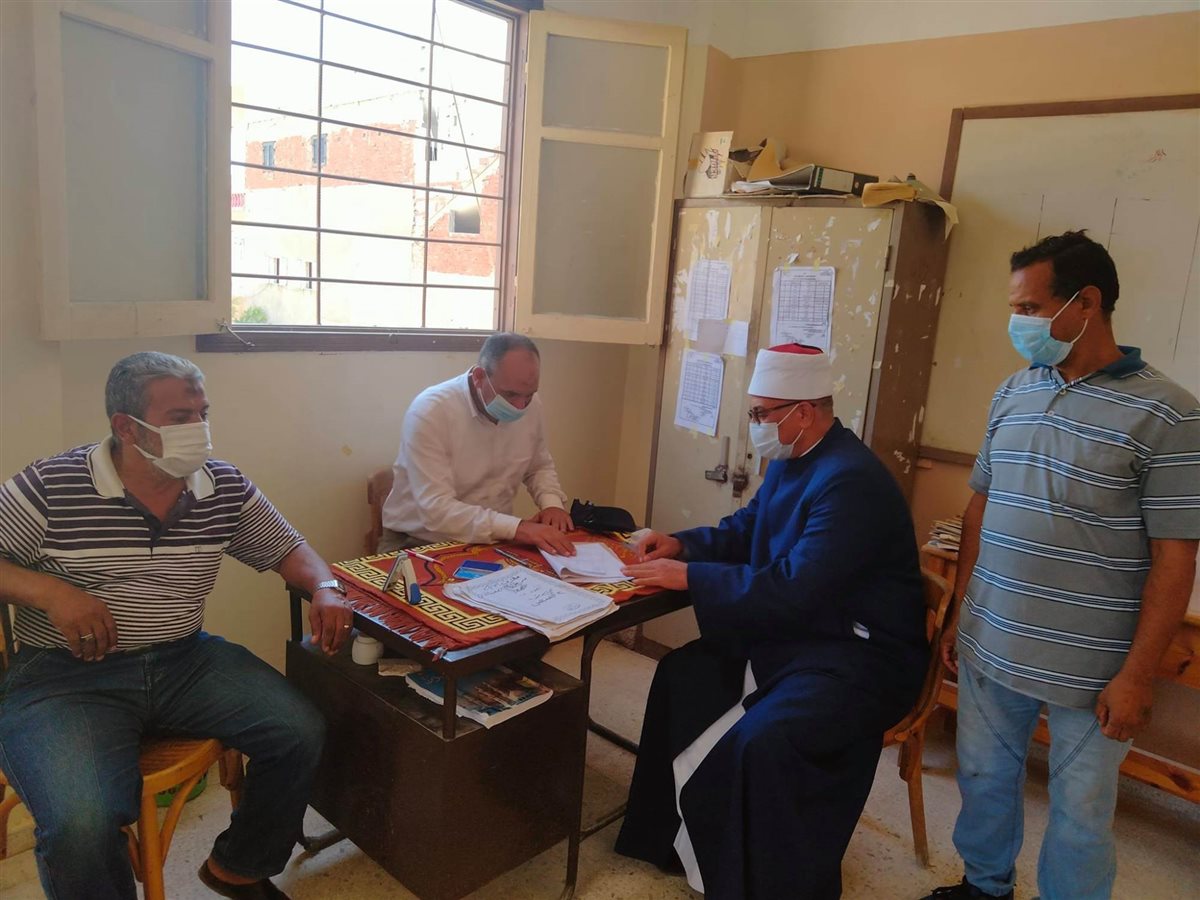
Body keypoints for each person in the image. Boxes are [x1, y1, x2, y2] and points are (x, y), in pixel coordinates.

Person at [0, 352, 354, 900]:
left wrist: (326, 586)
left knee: (297, 731)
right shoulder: (51, 485)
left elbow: (289, 549)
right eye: (181, 417)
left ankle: (238, 868)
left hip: (184, 658)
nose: (199, 429)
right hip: (66, 675)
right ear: (126, 427)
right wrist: (53, 593)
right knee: (81, 824)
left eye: (202, 413)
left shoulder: (221, 485)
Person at [920, 231, 1199, 900]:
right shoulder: (1013, 392)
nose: (1018, 323)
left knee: (1081, 811)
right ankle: (984, 886)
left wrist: (1137, 676)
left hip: (1092, 666)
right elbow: (980, 509)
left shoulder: (1170, 415)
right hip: (992, 640)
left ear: (1086, 304)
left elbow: (1176, 557)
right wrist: (961, 616)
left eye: (1030, 308)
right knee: (983, 779)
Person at [614, 344, 929, 900]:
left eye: (761, 413)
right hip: (805, 635)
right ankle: (670, 842)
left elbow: (797, 586)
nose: (754, 425)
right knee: (682, 675)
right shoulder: (792, 459)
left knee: (764, 742)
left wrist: (691, 579)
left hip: (859, 656)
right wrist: (683, 546)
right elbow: (746, 529)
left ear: (803, 412)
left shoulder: (850, 480)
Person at [378, 332, 575, 556]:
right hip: (418, 540)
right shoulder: (431, 411)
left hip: (494, 538)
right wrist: (518, 529)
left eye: (529, 395)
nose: (520, 406)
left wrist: (552, 505)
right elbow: (436, 510)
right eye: (510, 395)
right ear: (479, 377)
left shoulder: (531, 406)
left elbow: (538, 466)